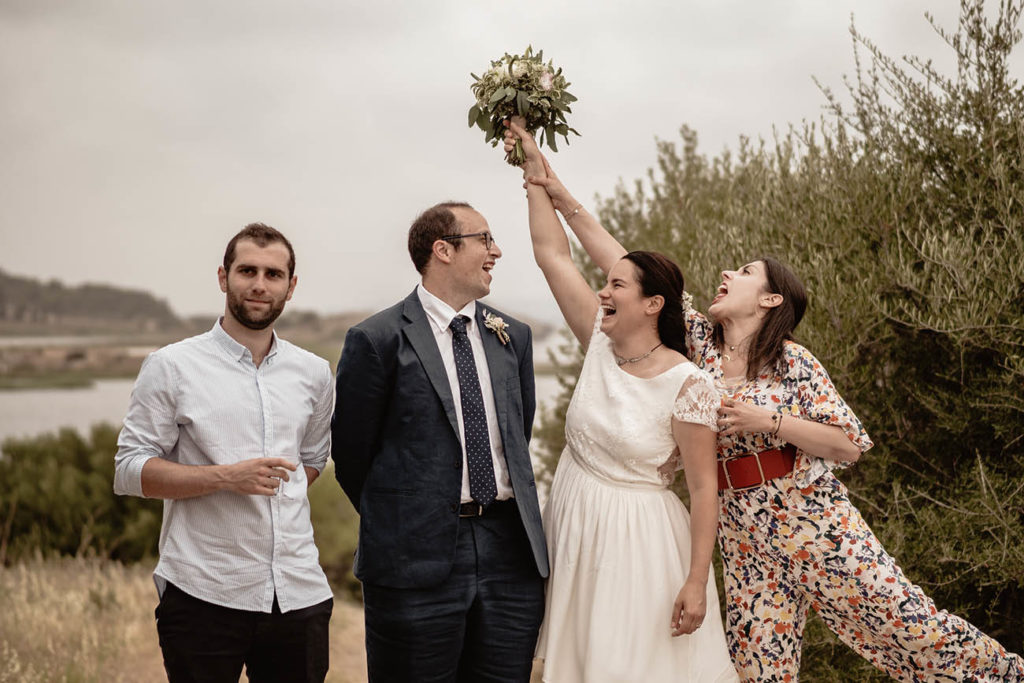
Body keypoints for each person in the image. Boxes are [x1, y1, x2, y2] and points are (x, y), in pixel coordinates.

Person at [506, 119, 1024, 682]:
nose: (728, 273)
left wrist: (770, 420)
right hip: (742, 533)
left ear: (771, 298)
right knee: (759, 671)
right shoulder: (697, 345)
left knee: (909, 628)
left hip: (812, 521)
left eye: (745, 273)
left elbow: (848, 445)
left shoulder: (792, 362)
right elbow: (630, 268)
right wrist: (561, 196)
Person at [505, 120, 738, 682]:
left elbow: (705, 489)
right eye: (604, 285)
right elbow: (551, 255)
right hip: (574, 521)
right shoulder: (598, 346)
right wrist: (534, 172)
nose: (603, 292)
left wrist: (695, 580)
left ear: (653, 303)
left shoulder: (690, 384)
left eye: (616, 287)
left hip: (639, 541)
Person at [331, 202, 548, 682]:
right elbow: (350, 456)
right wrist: (406, 517)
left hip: (509, 553)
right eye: (485, 239)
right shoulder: (376, 339)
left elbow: (517, 434)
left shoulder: (514, 336)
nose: (497, 251)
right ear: (443, 249)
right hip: (412, 558)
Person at [113, 223, 335, 683]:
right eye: (247, 270)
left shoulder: (314, 373)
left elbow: (312, 460)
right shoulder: (171, 366)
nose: (259, 284)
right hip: (203, 592)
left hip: (299, 593)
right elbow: (130, 471)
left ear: (290, 287)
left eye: (273, 274)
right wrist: (225, 478)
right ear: (223, 277)